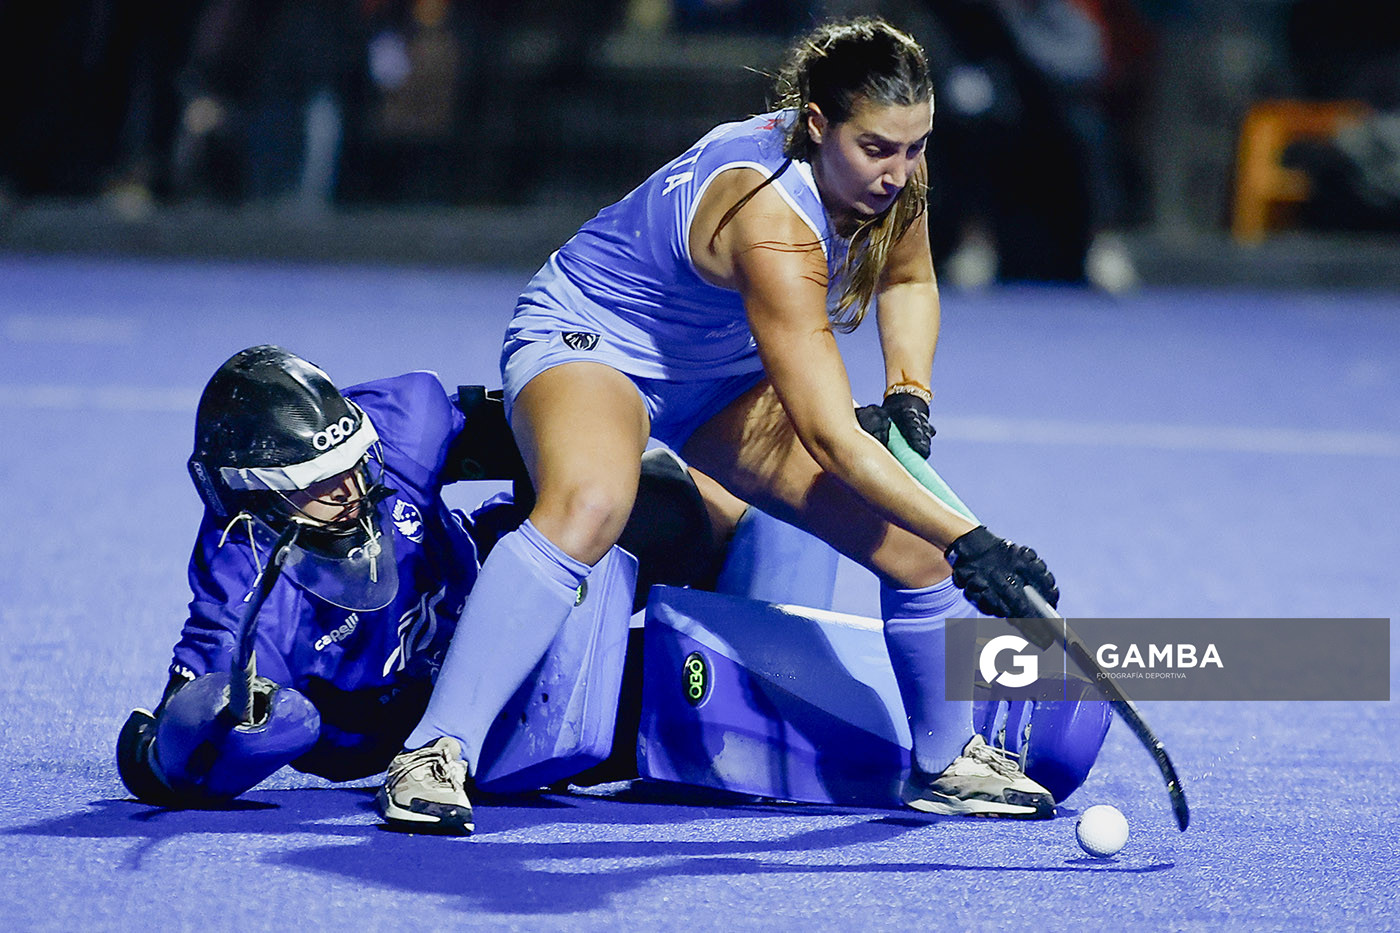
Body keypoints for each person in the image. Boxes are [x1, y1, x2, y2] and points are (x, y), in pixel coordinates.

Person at [382, 16, 1062, 835]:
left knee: (908, 547)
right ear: (817, 124)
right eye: (879, 149)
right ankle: (433, 749)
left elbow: (910, 281)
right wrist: (973, 540)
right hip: (594, 337)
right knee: (591, 503)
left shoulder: (891, 172)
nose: (898, 172)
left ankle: (944, 762)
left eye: (915, 148)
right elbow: (831, 437)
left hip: (719, 372)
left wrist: (910, 393)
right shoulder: (770, 217)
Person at [116, 345, 731, 814]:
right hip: (444, 724)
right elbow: (169, 750)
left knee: (653, 494)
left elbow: (528, 432)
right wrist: (179, 743)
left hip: (487, 574)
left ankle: (760, 602)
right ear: (251, 493)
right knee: (665, 710)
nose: (349, 489)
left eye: (352, 462)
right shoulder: (245, 597)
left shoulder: (401, 421)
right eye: (316, 479)